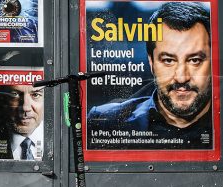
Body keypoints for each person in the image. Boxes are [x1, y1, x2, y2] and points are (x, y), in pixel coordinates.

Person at [87, 2, 213, 149]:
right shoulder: (104, 122)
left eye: (194, 60)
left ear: (213, 62)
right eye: (168, 61)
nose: (181, 77)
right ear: (151, 63)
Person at [0, 84, 45, 160]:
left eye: (35, 95)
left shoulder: (61, 137)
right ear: (2, 101)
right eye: (14, 95)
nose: (25, 107)